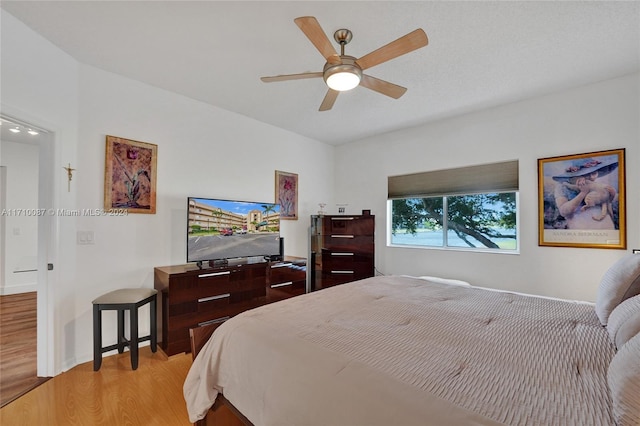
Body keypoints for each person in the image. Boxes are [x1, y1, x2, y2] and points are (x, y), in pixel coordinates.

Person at [550, 157, 619, 230]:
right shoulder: (563, 187)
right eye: (586, 174)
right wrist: (583, 193)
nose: (591, 177)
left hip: (603, 226)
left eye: (594, 173)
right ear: (575, 175)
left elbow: (608, 200)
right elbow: (564, 212)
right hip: (580, 226)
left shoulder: (595, 185)